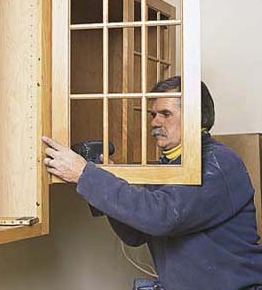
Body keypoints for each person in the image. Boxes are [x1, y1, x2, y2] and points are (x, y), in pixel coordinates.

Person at [42, 76, 262, 290]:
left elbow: (162, 217)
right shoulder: (169, 166)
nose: (155, 121)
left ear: (196, 117)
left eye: (165, 114)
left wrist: (86, 175)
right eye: (153, 114)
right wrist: (101, 177)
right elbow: (135, 234)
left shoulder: (219, 161)